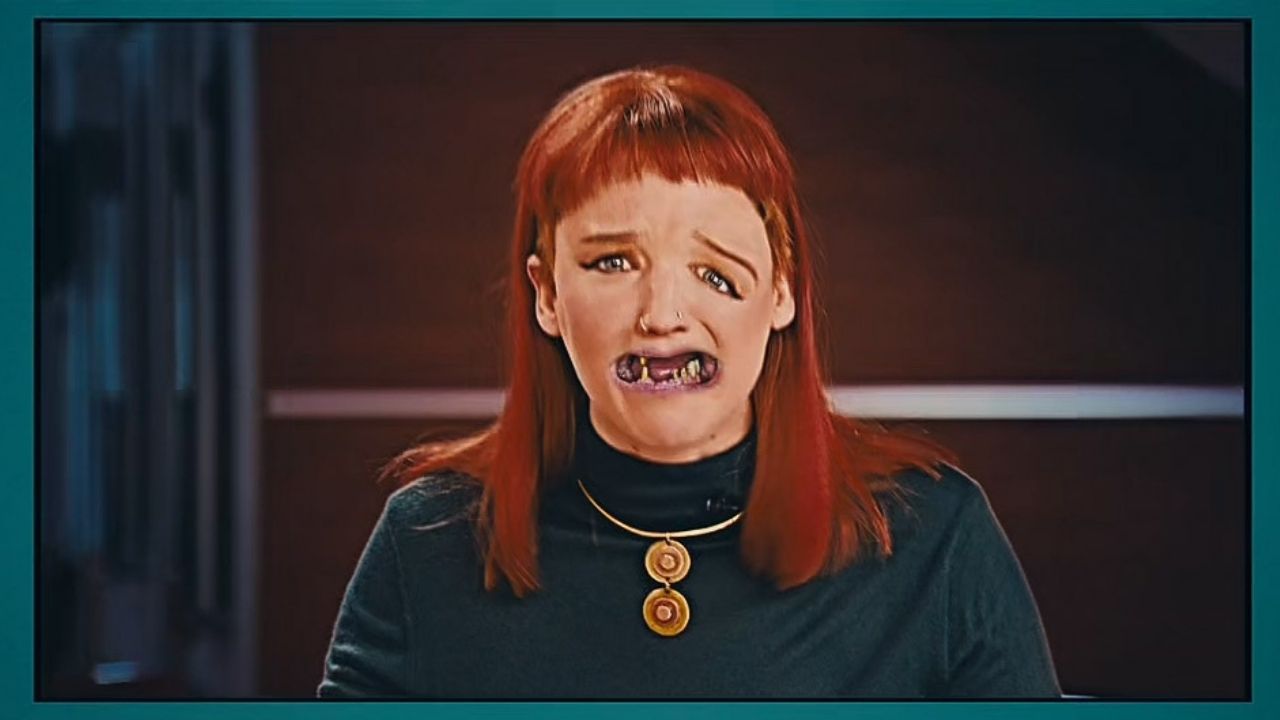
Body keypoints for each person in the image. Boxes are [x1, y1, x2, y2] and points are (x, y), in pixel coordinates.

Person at [317, 65, 1060, 699]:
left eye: (712, 271)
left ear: (782, 290)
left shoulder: (935, 538)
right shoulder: (428, 542)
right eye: (613, 263)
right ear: (546, 295)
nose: (663, 315)